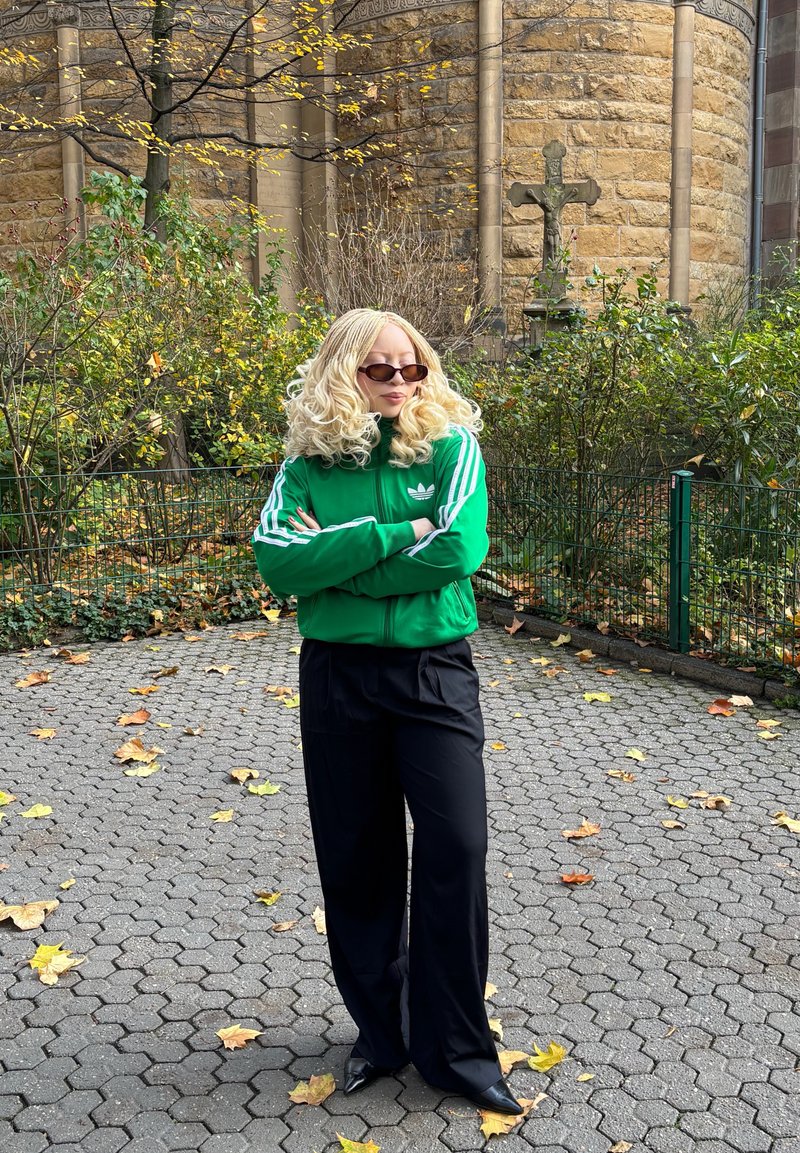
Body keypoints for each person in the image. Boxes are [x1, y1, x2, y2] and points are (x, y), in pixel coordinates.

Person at [251, 308, 522, 1116]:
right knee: (357, 855)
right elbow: (276, 560)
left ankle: (459, 1048)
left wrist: (337, 567)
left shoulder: (452, 448)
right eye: (381, 370)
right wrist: (392, 529)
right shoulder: (305, 468)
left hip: (433, 671)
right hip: (339, 676)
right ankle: (381, 1034)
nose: (401, 382)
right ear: (345, 373)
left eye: (413, 368)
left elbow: (458, 550)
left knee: (456, 844)